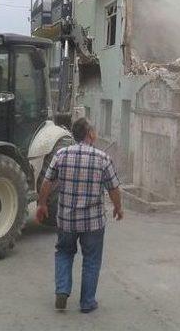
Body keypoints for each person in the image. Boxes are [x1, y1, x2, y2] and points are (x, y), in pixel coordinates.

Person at [37, 118, 123, 313]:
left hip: (66, 220)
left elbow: (47, 182)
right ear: (90, 134)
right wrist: (118, 208)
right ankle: (87, 302)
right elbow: (114, 189)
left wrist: (42, 204)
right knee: (91, 260)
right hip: (93, 223)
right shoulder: (102, 158)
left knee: (64, 253)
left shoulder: (61, 154)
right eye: (94, 129)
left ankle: (62, 291)